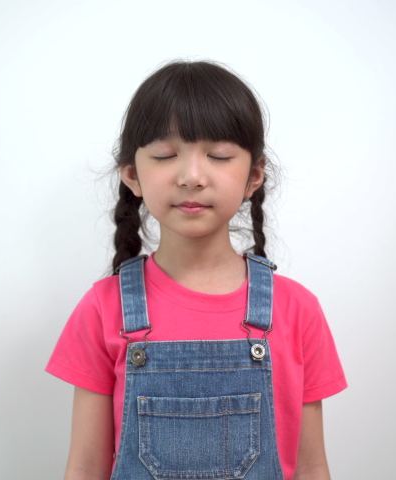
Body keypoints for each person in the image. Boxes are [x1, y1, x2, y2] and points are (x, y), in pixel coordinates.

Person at [46, 60, 347, 480]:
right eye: (166, 155)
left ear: (253, 175)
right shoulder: (103, 307)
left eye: (219, 155)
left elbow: (313, 467)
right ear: (132, 174)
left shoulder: (297, 309)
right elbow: (85, 466)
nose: (191, 176)